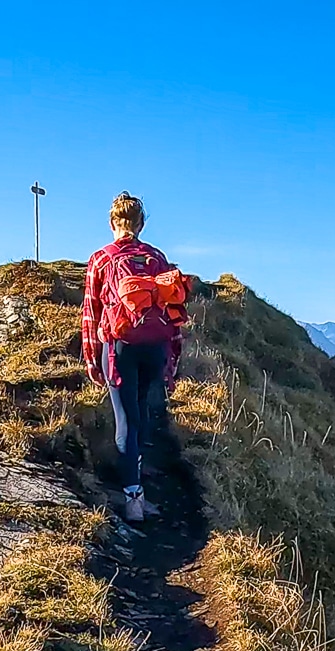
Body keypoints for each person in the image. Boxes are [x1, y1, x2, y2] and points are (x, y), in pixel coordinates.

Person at [82, 192, 186, 523]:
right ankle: (140, 487)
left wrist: (90, 357)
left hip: (118, 347)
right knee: (141, 415)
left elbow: (91, 313)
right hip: (154, 346)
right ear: (141, 224)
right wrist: (172, 359)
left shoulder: (100, 259)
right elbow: (174, 311)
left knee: (125, 421)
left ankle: (132, 499)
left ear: (113, 223)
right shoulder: (158, 257)